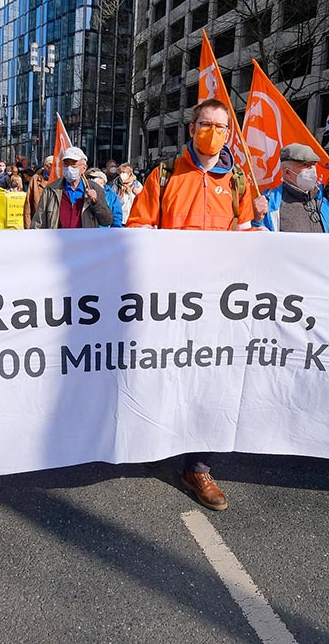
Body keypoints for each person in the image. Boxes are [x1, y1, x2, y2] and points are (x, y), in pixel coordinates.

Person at [127, 98, 258, 512]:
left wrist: (256, 224)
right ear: (191, 128)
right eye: (205, 124)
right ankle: (156, 437)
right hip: (169, 301)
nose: (212, 132)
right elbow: (136, 228)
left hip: (217, 304)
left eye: (220, 127)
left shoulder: (239, 181)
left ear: (229, 134)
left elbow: (251, 240)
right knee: (163, 374)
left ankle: (197, 467)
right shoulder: (164, 175)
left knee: (209, 382)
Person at [255, 144, 329, 233]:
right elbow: (257, 241)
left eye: (313, 165)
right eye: (306, 165)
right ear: (287, 172)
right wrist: (257, 222)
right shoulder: (269, 204)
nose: (312, 170)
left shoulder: (322, 202)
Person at [31, 147, 113, 229]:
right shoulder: (52, 189)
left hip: (84, 241)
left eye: (73, 164)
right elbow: (39, 221)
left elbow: (107, 221)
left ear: (84, 168)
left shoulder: (94, 188)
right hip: (58, 240)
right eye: (66, 164)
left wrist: (95, 202)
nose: (69, 168)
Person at [24, 156, 53, 228]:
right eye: (53, 165)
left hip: (54, 224)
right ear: (46, 166)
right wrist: (27, 226)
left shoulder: (59, 179)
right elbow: (28, 204)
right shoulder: (35, 179)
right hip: (38, 223)